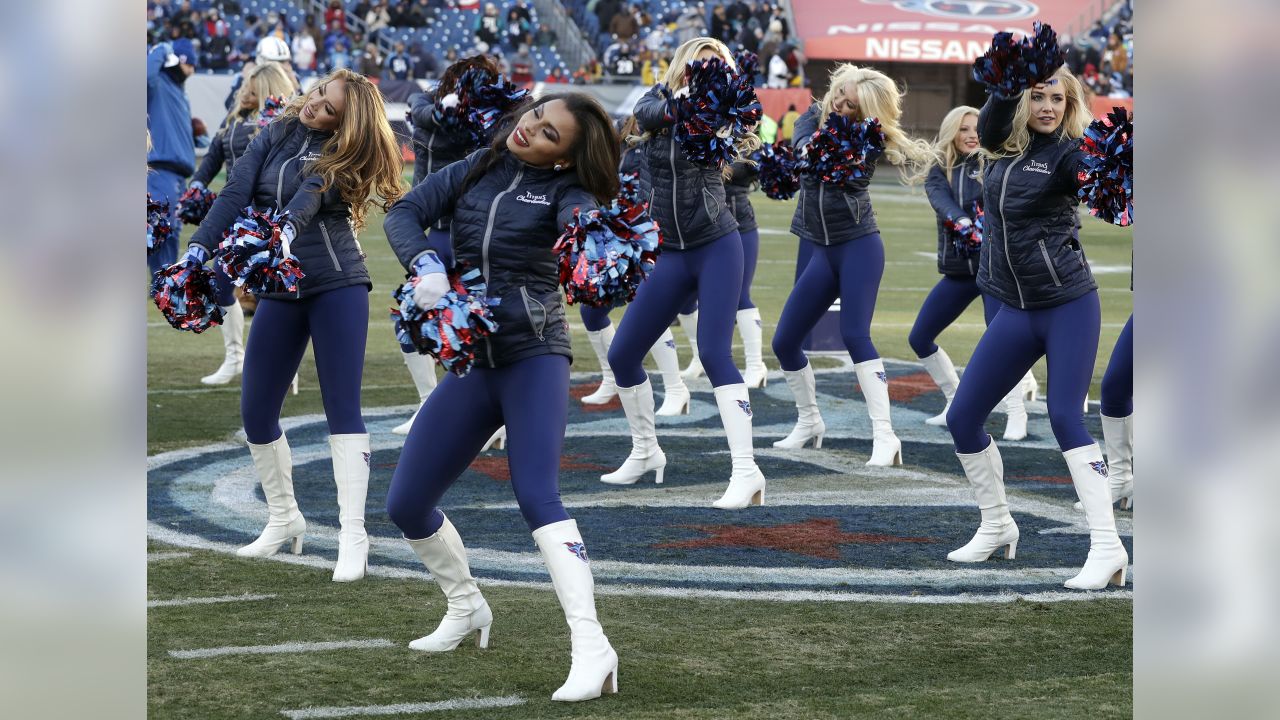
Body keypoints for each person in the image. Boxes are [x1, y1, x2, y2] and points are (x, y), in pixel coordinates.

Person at [383, 92, 622, 703]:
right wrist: (427, 263)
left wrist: (590, 236)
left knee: (537, 494)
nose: (529, 133)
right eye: (532, 120)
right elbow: (403, 212)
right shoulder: (478, 166)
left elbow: (582, 224)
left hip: (533, 356)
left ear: (566, 158)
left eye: (548, 136)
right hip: (474, 362)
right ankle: (466, 606)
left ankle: (593, 648)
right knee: (407, 504)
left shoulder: (569, 192)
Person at [178, 69, 404, 582]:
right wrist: (199, 248)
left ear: (348, 122)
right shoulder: (277, 130)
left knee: (340, 408)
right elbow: (235, 192)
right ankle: (284, 518)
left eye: (329, 108)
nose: (315, 107)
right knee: (256, 412)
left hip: (335, 282)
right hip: (280, 287)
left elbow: (310, 194)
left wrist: (283, 232)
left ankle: (353, 535)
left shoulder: (344, 155)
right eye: (318, 94)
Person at [944, 65, 1128, 591]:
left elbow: (1103, 189)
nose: (1048, 107)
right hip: (1017, 311)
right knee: (964, 417)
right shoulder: (1001, 145)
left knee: (1066, 416)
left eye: (1058, 99)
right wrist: (1010, 85)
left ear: (1071, 107)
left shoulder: (1071, 155)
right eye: (1038, 96)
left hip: (1068, 304)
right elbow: (996, 114)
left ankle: (1108, 548)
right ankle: (997, 525)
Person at [604, 37, 766, 510]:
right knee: (623, 354)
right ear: (682, 64)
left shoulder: (729, 111)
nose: (707, 68)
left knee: (715, 352)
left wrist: (725, 139)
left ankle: (746, 471)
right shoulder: (656, 100)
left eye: (717, 63)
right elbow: (650, 114)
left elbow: (751, 159)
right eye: (700, 60)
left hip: (716, 241)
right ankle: (646, 451)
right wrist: (688, 104)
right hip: (669, 250)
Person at [770, 64, 932, 463]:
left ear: (866, 114)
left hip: (858, 245)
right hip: (822, 250)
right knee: (785, 341)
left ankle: (885, 435)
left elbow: (809, 150)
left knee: (855, 334)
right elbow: (803, 141)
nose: (839, 103)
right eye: (839, 94)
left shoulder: (863, 139)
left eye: (851, 104)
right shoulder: (816, 116)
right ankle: (809, 421)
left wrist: (811, 132)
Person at [907, 105, 1031, 439]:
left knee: (1002, 341)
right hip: (960, 270)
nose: (971, 135)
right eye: (963, 129)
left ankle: (1016, 412)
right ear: (952, 133)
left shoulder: (994, 161)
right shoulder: (940, 167)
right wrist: (961, 221)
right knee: (919, 336)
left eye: (976, 128)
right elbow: (940, 199)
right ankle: (952, 400)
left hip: (994, 269)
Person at [395, 54, 502, 436]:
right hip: (431, 227)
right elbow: (423, 114)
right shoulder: (426, 100)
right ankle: (426, 402)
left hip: (470, 227)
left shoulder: (492, 116)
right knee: (414, 316)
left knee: (472, 320)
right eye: (464, 79)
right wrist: (448, 109)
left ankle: (493, 416)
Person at [188, 63, 298, 386]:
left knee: (273, 294)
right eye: (244, 89)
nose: (244, 94)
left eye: (251, 90)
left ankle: (285, 366)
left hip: (268, 216)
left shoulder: (285, 122)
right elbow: (212, 157)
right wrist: (197, 182)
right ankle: (235, 357)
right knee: (221, 284)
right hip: (237, 214)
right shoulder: (233, 119)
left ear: (267, 91)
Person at [578, 115, 691, 417]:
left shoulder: (664, 140)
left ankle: (676, 387)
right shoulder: (618, 140)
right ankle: (612, 379)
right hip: (618, 234)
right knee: (591, 310)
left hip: (645, 235)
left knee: (648, 309)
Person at [147, 39, 197, 276]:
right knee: (161, 224)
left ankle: (165, 277)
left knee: (172, 227)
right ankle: (161, 276)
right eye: (190, 64)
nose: (192, 71)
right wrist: (162, 49)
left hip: (178, 172)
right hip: (161, 167)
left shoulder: (179, 91)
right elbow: (145, 76)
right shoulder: (157, 83)